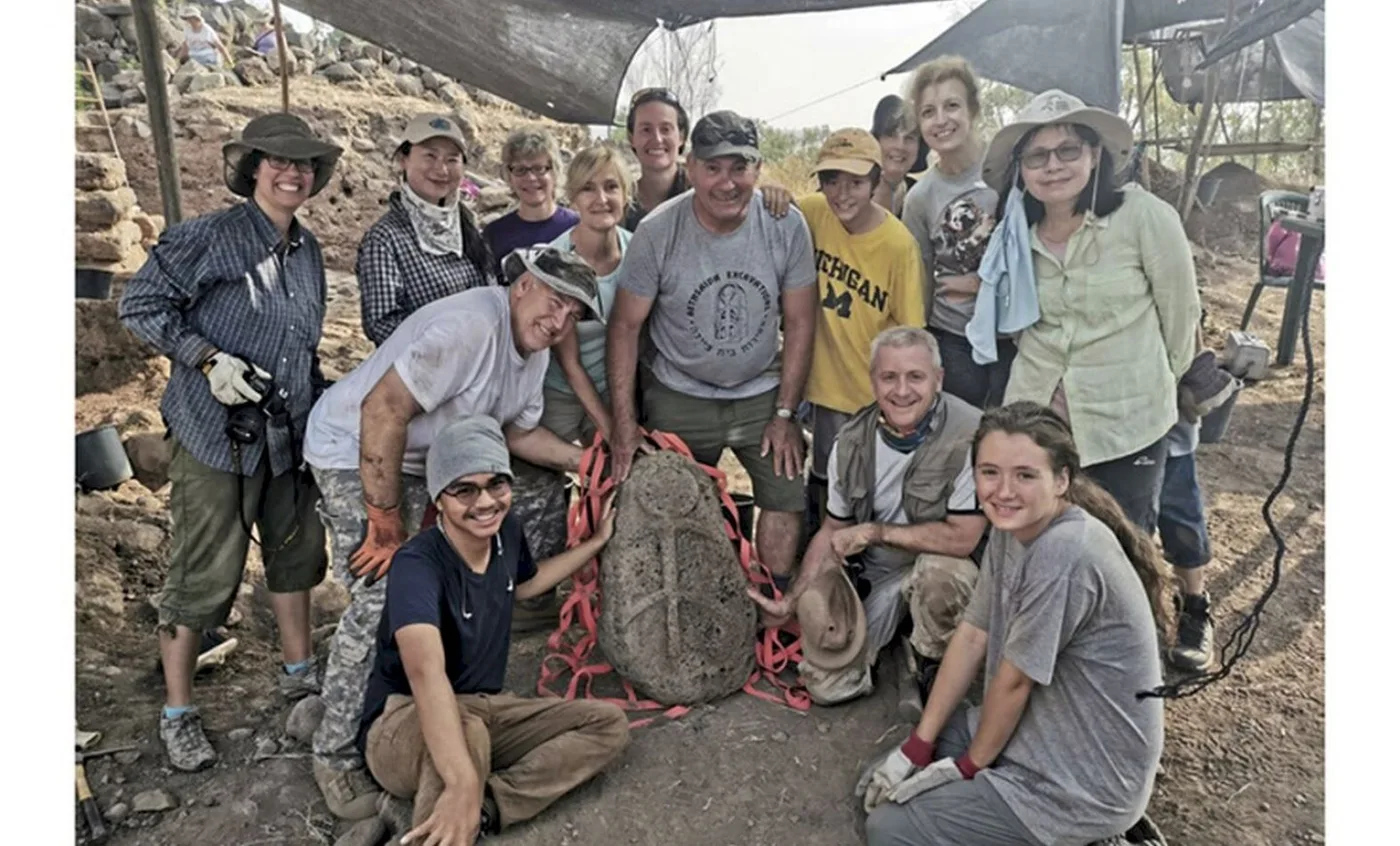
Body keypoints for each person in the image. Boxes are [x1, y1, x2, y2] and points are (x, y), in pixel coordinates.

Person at [300, 246, 601, 820]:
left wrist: (585, 463)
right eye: (554, 301)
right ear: (521, 287)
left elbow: (513, 433)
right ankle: (334, 752)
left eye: (573, 314)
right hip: (352, 447)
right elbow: (382, 410)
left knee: (478, 543)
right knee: (381, 592)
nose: (560, 320)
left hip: (422, 459)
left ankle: (411, 704)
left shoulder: (531, 350)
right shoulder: (469, 327)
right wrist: (384, 520)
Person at [118, 112, 343, 772]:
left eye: (304, 163)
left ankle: (299, 671)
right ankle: (178, 712)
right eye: (277, 159)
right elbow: (141, 306)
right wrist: (207, 358)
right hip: (216, 438)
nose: (292, 171)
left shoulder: (308, 252)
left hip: (287, 436)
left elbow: (304, 343)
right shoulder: (209, 238)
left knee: (295, 554)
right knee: (203, 572)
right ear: (251, 168)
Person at [861, 401, 1167, 846]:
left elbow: (1015, 682)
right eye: (990, 472)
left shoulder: (1064, 552)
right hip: (1045, 728)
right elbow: (972, 634)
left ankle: (1095, 838)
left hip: (1081, 782)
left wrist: (967, 768)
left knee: (890, 830)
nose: (1003, 490)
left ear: (1061, 480)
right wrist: (919, 747)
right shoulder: (1012, 529)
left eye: (1025, 475)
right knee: (892, 769)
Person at [361, 415, 628, 844]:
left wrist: (594, 544)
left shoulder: (506, 534)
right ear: (439, 499)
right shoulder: (417, 563)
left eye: (496, 484)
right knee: (467, 736)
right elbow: (426, 674)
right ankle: (451, 805)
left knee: (606, 723)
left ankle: (483, 810)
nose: (485, 502)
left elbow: (525, 584)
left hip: (483, 709)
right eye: (464, 489)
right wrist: (463, 781)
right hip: (400, 723)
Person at [606, 110, 818, 585]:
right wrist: (624, 424)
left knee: (785, 494)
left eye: (739, 167)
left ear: (758, 169)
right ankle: (693, 606)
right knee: (671, 507)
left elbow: (802, 320)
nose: (727, 182)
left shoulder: (786, 226)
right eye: (713, 167)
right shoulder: (659, 232)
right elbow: (624, 326)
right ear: (691, 168)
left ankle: (771, 603)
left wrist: (786, 414)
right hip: (681, 390)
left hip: (760, 389)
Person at [985, 89, 1200, 532]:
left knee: (1123, 544)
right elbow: (1015, 323)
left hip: (1128, 422)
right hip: (1038, 422)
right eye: (1037, 156)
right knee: (1038, 536)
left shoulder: (1144, 217)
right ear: (1021, 171)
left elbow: (1181, 319)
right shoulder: (1014, 234)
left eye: (1068, 150)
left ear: (1094, 154)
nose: (1053, 166)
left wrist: (1157, 386)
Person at [750, 328, 984, 707]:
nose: (902, 390)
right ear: (872, 380)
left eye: (916, 377)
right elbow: (832, 530)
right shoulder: (851, 441)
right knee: (829, 689)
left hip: (944, 564)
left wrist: (875, 532)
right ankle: (896, 638)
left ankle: (932, 663)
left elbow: (963, 538)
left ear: (938, 379)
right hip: (879, 573)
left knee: (941, 576)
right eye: (889, 377)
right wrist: (791, 600)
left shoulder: (970, 435)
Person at [795, 128, 925, 534]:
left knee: (862, 495)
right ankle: (814, 575)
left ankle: (856, 582)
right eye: (832, 180)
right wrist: (773, 195)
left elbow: (910, 334)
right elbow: (768, 204)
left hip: (869, 396)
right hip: (824, 391)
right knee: (822, 481)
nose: (842, 193)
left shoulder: (897, 245)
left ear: (875, 180)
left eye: (855, 181)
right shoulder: (816, 212)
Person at [900, 57, 1011, 409]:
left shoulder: (1009, 170)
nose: (941, 120)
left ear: (973, 110)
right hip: (954, 337)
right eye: (929, 112)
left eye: (952, 106)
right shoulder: (920, 198)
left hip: (1014, 333)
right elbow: (921, 280)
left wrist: (980, 283)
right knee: (964, 439)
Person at [356, 113, 497, 346]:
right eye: (430, 156)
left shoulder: (467, 226)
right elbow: (382, 324)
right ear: (404, 159)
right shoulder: (385, 239)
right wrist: (451, 345)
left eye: (452, 159)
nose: (441, 170)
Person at [482, 126, 579, 278]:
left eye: (539, 168)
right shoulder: (494, 234)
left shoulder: (578, 227)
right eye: (520, 170)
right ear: (509, 176)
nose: (531, 178)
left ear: (554, 171)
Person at [623, 87, 692, 231]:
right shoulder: (620, 203)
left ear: (681, 137)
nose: (657, 139)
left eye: (665, 129)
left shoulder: (702, 198)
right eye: (646, 130)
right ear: (631, 138)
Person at [870, 95, 922, 217]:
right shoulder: (853, 192)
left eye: (909, 138)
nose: (900, 146)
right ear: (877, 140)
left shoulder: (922, 195)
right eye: (891, 136)